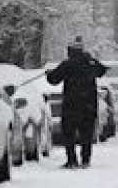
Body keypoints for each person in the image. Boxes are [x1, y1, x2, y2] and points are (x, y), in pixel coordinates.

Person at [45, 37, 106, 168]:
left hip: (71, 105)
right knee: (86, 134)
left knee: (69, 133)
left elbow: (53, 79)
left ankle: (72, 160)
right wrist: (92, 60)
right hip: (89, 105)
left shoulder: (67, 64)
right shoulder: (89, 63)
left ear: (70, 51)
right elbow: (102, 71)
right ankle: (85, 160)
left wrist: (48, 74)